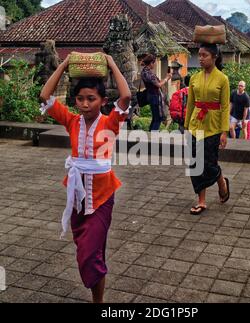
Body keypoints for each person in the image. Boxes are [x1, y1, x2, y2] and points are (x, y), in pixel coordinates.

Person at [39, 54, 131, 303]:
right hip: (78, 197)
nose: (85, 104)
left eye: (91, 99)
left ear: (102, 100)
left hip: (102, 197)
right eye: (80, 99)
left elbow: (126, 97)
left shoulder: (111, 122)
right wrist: (63, 65)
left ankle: (98, 302)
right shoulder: (71, 122)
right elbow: (45, 97)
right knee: (86, 252)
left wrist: (112, 64)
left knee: (92, 254)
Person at [184, 43, 230, 215]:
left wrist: (224, 131)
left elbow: (225, 106)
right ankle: (201, 201)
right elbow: (190, 104)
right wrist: (187, 125)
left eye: (204, 55)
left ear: (214, 57)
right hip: (196, 124)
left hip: (213, 126)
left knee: (209, 163)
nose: (200, 58)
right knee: (195, 163)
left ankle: (222, 182)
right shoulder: (194, 78)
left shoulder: (222, 79)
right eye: (200, 55)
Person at [141, 54, 172, 131]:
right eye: (154, 63)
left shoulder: (144, 71)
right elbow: (158, 85)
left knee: (155, 118)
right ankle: (153, 137)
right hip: (154, 97)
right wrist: (166, 78)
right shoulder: (148, 73)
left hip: (151, 95)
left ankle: (150, 136)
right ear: (151, 63)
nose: (154, 65)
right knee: (158, 118)